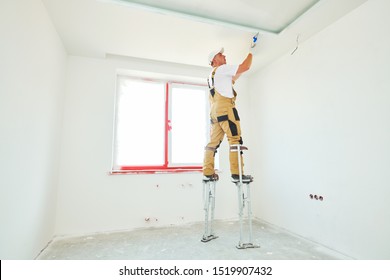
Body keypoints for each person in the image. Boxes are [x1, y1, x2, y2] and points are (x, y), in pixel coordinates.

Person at [203, 37, 257, 183]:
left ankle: (207, 172)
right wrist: (252, 52)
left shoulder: (212, 76)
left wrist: (239, 71)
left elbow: (233, 79)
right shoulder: (221, 69)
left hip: (215, 112)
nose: (224, 56)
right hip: (226, 109)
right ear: (214, 61)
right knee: (235, 139)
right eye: (221, 55)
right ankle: (237, 173)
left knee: (212, 144)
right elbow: (245, 66)